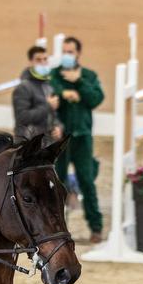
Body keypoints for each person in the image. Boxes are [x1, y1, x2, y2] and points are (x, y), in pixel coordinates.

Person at [51, 36, 105, 243]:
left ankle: (96, 227)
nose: (67, 55)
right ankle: (57, 230)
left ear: (78, 54)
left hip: (82, 137)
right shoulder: (55, 74)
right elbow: (52, 91)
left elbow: (96, 98)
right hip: (60, 140)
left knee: (87, 181)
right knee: (57, 183)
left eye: (71, 51)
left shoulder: (89, 75)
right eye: (64, 51)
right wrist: (66, 93)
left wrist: (79, 83)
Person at [12, 45, 63, 143]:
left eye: (45, 59)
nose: (43, 62)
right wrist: (48, 106)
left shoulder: (48, 86)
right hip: (27, 144)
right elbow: (22, 118)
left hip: (46, 144)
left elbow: (54, 116)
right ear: (30, 62)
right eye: (38, 60)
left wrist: (58, 127)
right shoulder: (23, 88)